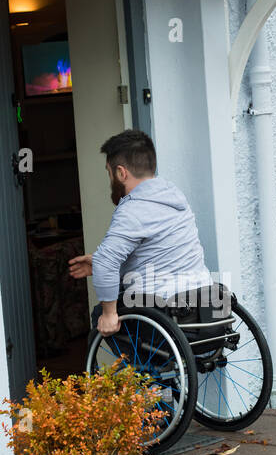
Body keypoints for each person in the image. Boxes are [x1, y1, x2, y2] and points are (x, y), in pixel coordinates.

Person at [68, 130, 212, 336]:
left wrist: (109, 314)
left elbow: (106, 262)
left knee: (99, 314)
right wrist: (106, 265)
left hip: (163, 311)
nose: (110, 179)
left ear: (120, 173)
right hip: (202, 303)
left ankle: (138, 367)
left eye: (109, 173)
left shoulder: (132, 210)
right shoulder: (174, 196)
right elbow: (160, 258)